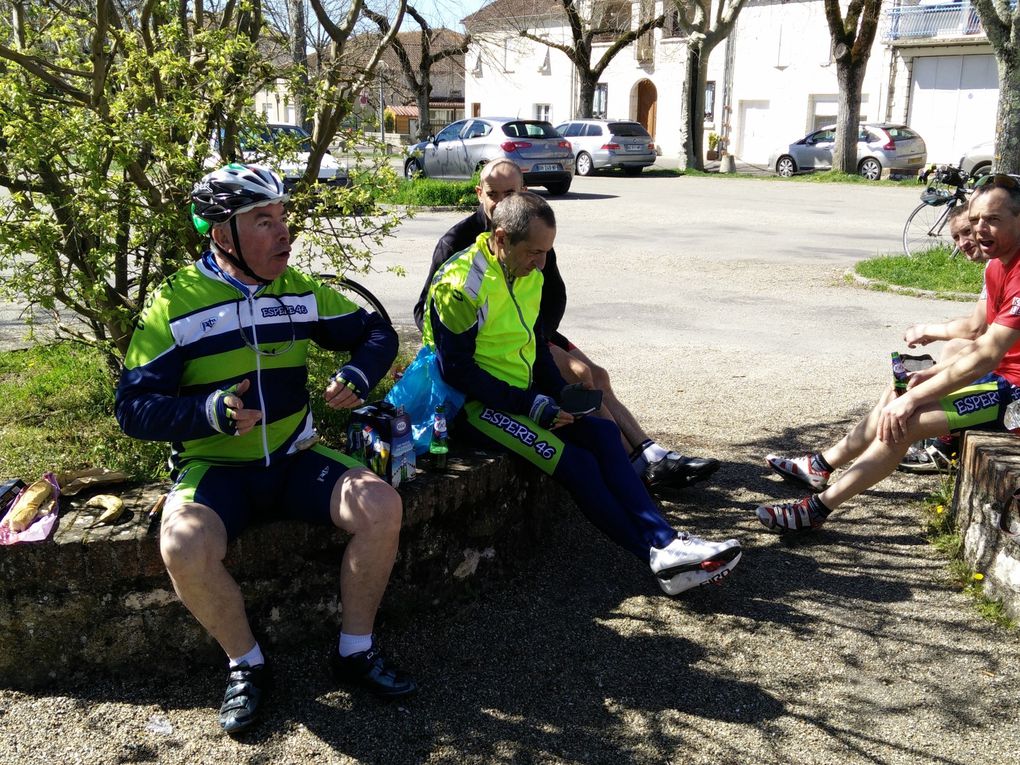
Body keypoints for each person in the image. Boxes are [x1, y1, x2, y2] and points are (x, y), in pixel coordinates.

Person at [115, 164, 416, 736]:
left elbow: (378, 331)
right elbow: (133, 407)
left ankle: (354, 650)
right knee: (183, 547)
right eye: (264, 221)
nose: (285, 233)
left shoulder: (298, 289)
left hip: (294, 458)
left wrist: (358, 372)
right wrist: (205, 413)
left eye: (283, 217)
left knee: (382, 508)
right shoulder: (175, 303)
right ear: (223, 234)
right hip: (216, 469)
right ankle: (247, 664)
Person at [421, 190, 741, 594]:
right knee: (577, 464)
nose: (542, 263)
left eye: (547, 252)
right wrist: (533, 404)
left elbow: (534, 345)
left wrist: (557, 394)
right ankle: (659, 556)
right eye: (534, 252)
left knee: (605, 433)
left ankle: (669, 543)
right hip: (471, 408)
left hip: (520, 397)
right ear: (501, 238)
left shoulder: (527, 273)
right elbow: (458, 370)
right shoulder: (459, 285)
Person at [412, 158, 720, 492]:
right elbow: (424, 310)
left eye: (509, 192)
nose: (500, 201)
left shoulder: (531, 227)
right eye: (492, 193)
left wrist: (540, 336)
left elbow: (555, 294)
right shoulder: (457, 241)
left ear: (524, 191)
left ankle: (649, 451)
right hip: (497, 342)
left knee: (599, 374)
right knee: (582, 377)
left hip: (535, 331)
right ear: (479, 193)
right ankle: (634, 465)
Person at [756, 175, 1020, 533]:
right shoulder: (996, 264)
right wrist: (926, 380)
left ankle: (815, 510)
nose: (979, 230)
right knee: (900, 390)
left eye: (992, 220)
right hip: (1000, 379)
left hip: (1014, 396)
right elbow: (980, 338)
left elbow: (988, 353)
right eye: (974, 221)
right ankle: (820, 466)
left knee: (902, 423)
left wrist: (916, 399)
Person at [898, 204, 988, 472]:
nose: (963, 243)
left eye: (967, 232)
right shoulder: (995, 266)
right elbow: (980, 324)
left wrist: (929, 330)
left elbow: (977, 329)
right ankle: (944, 444)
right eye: (956, 237)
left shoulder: (1000, 265)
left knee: (955, 351)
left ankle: (944, 446)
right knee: (954, 348)